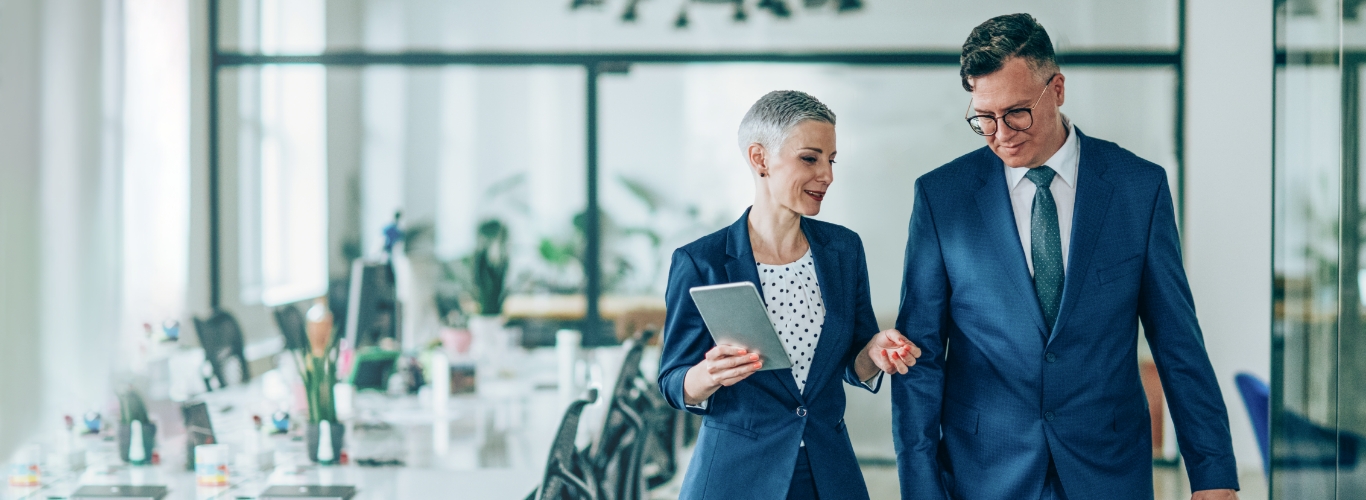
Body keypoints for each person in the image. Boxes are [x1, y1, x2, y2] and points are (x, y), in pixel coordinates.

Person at [891, 14, 1239, 500]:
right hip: (983, 473)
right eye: (984, 118)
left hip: (1109, 468)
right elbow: (919, 355)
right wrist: (920, 487)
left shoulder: (1139, 188)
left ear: (1056, 89)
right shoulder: (940, 198)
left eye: (1016, 112)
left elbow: (1177, 340)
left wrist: (1214, 474)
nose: (1001, 133)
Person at [658, 90, 920, 500]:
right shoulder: (700, 262)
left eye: (831, 161)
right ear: (760, 159)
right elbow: (673, 380)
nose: (827, 175)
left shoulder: (843, 250)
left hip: (828, 472)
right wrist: (707, 377)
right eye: (810, 158)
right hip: (735, 476)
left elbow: (854, 361)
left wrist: (877, 352)